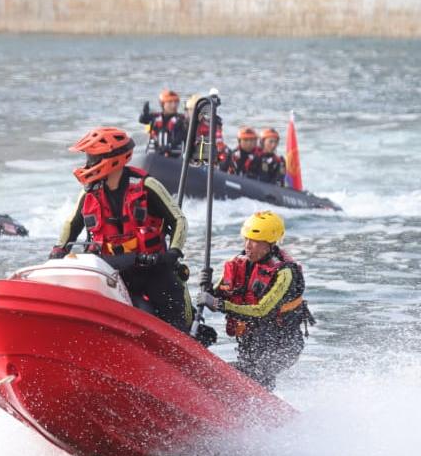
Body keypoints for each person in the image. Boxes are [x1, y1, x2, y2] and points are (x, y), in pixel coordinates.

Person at [51, 127, 199, 337]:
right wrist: (58, 250)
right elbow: (72, 225)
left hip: (153, 268)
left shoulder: (147, 185)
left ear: (113, 159)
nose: (88, 164)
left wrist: (172, 253)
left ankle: (186, 344)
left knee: (175, 317)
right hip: (114, 270)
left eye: (92, 158)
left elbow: (179, 220)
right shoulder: (89, 194)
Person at [196, 211, 313, 390]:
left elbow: (261, 311)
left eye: (255, 241)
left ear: (269, 244)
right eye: (246, 239)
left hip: (283, 346)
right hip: (252, 343)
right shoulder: (240, 262)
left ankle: (264, 413)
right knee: (246, 375)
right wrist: (207, 287)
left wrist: (220, 305)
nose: (248, 246)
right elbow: (217, 295)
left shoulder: (284, 273)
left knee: (255, 375)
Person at [138, 89, 187, 156]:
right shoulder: (154, 117)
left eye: (176, 102)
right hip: (154, 156)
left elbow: (183, 135)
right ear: (162, 104)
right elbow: (142, 120)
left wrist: (169, 146)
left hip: (174, 157)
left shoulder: (182, 119)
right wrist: (144, 114)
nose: (174, 105)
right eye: (170, 102)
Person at [185, 93, 227, 167]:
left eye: (195, 110)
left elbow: (219, 143)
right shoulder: (182, 124)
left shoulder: (209, 126)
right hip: (186, 159)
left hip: (204, 161)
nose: (193, 113)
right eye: (190, 110)